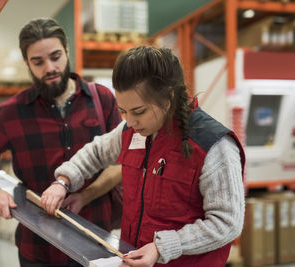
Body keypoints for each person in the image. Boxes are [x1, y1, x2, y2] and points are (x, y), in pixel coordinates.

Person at [41, 46, 246, 267]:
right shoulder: (132, 132)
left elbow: (226, 224)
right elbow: (97, 151)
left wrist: (162, 247)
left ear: (168, 98)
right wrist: (63, 181)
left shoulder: (214, 146)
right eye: (123, 111)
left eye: (139, 112)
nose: (129, 122)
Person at [0, 18, 122, 266]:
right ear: (27, 63)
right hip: (38, 248)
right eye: (38, 61)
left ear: (67, 51)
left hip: (96, 239)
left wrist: (86, 195)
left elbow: (122, 162)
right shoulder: (12, 112)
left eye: (56, 56)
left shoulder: (102, 99)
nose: (49, 67)